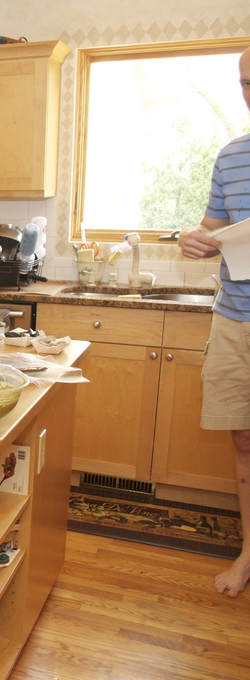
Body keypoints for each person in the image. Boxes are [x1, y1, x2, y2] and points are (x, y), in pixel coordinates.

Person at [177, 45, 250, 598]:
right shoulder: (231, 157)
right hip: (234, 320)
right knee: (244, 441)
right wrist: (192, 240)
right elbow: (209, 233)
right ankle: (247, 554)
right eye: (246, 83)